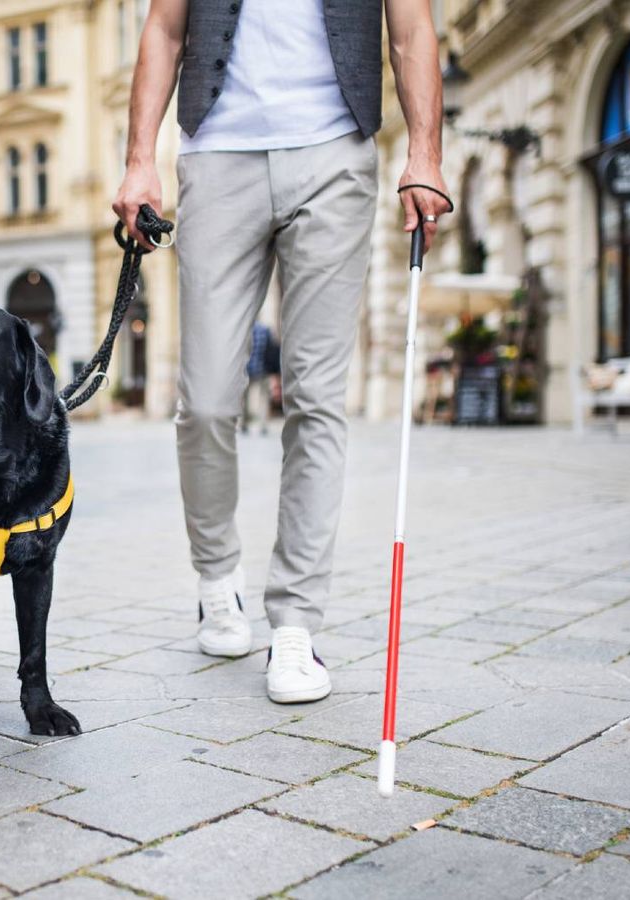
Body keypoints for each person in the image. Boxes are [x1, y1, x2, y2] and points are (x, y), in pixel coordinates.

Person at [114, 0, 451, 704]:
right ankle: (216, 580)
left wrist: (425, 154)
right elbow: (166, 29)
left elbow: (411, 27)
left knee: (316, 398)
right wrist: (140, 161)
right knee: (205, 399)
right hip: (216, 155)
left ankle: (295, 623)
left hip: (336, 154)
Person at [242, 322, 275, 435]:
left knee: (245, 398)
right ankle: (263, 423)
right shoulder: (265, 330)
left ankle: (244, 422)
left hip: (247, 368)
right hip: (263, 369)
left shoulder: (246, 329)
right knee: (264, 398)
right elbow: (270, 349)